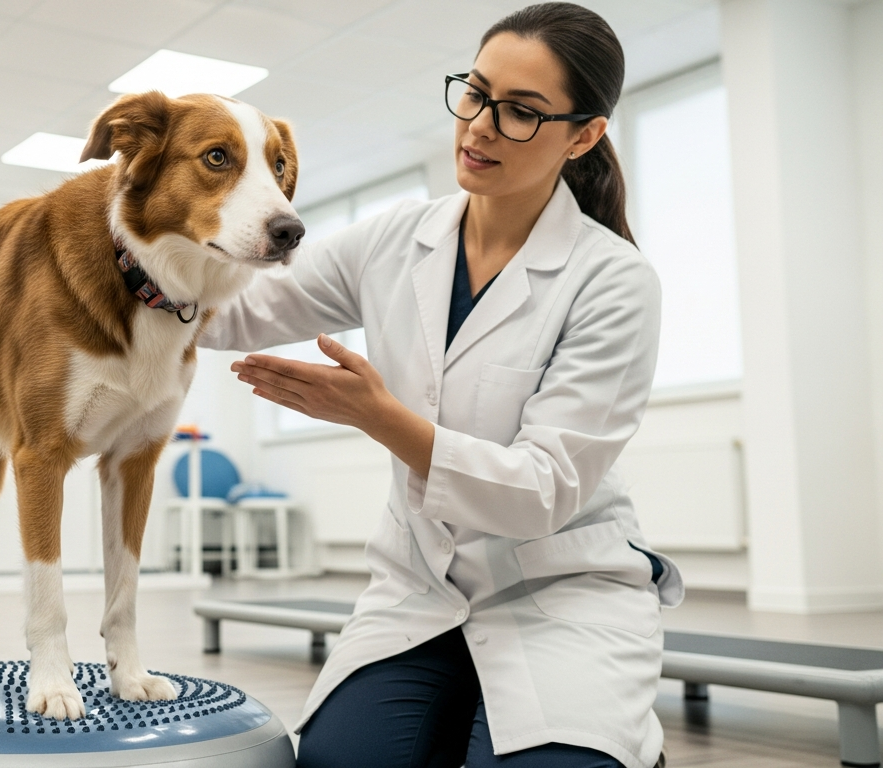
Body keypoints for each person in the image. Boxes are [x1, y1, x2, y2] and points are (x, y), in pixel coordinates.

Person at [200, 4, 680, 767]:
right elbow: (236, 310)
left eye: (521, 112)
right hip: (418, 588)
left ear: (583, 135)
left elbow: (541, 492)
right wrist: (123, 266)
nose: (480, 126)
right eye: (476, 93)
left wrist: (377, 417)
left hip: (560, 590)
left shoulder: (613, 282)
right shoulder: (397, 238)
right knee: (337, 763)